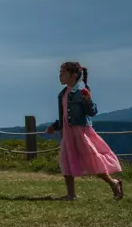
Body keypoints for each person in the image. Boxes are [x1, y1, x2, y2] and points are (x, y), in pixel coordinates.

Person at [46, 62, 123, 201]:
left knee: (92, 160)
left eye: (63, 73)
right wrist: (55, 125)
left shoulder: (81, 91)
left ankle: (113, 183)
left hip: (81, 131)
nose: (60, 76)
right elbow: (64, 115)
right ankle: (71, 195)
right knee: (66, 160)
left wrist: (88, 100)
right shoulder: (62, 94)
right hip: (68, 133)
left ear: (73, 75)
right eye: (60, 73)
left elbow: (92, 112)